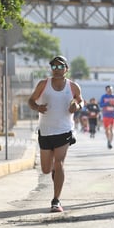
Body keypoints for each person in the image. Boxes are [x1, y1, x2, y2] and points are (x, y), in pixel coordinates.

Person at [28, 55, 84, 212]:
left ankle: (56, 200)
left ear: (66, 69)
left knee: (59, 163)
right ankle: (54, 171)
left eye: (60, 67)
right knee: (46, 169)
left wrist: (77, 106)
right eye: (54, 67)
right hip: (45, 131)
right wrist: (37, 108)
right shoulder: (43, 84)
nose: (57, 70)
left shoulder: (73, 86)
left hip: (64, 130)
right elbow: (31, 100)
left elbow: (81, 100)